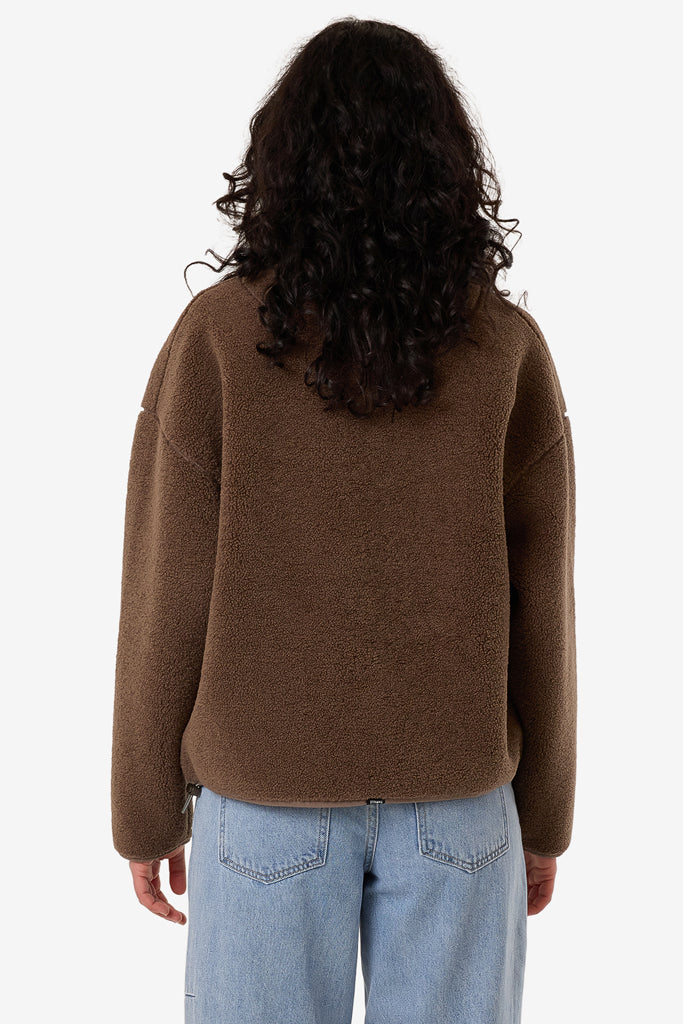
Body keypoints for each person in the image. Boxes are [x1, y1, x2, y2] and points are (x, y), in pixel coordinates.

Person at [111, 16, 577, 1024]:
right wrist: (542, 813)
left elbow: (164, 587)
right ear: (445, 165)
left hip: (264, 801)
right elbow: (542, 597)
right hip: (457, 801)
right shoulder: (504, 347)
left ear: (283, 163)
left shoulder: (218, 337)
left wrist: (144, 809)